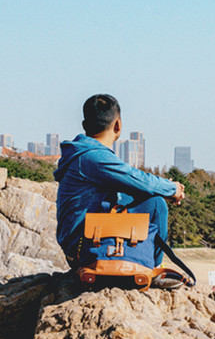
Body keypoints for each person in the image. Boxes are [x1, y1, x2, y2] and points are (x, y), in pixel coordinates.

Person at [54, 94, 184, 273]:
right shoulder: (93, 157)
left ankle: (148, 262)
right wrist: (172, 189)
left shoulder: (82, 154)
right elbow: (138, 179)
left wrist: (161, 188)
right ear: (118, 125)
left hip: (80, 242)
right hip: (83, 247)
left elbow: (134, 186)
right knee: (156, 204)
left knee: (147, 197)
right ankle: (153, 266)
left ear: (84, 126)